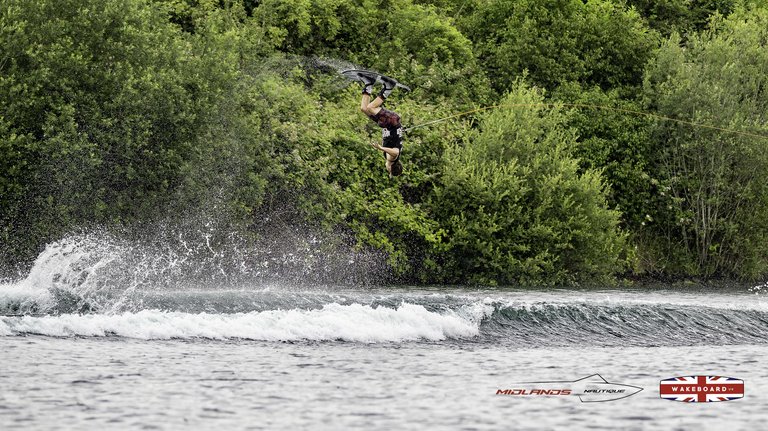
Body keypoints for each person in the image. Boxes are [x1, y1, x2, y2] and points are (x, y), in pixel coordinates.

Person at [358, 75, 404, 177]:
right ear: (391, 168)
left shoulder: (389, 157)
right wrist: (380, 147)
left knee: (364, 108)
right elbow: (395, 152)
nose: (386, 169)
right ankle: (388, 87)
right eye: (389, 171)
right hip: (391, 122)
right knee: (371, 107)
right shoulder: (392, 158)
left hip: (386, 124)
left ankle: (369, 83)